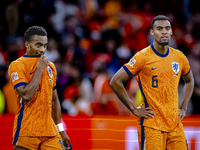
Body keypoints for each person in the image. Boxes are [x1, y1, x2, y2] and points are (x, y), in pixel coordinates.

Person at [110, 15, 194, 150]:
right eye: (159, 29)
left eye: (167, 28)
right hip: (151, 125)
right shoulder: (143, 57)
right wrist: (132, 108)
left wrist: (184, 107)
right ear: (152, 32)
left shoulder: (179, 57)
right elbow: (115, 81)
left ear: (171, 31)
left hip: (175, 125)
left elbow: (189, 81)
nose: (164, 31)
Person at [8, 26, 72, 150]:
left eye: (45, 45)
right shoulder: (17, 66)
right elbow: (26, 95)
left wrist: (61, 130)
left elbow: (54, 100)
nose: (42, 49)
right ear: (27, 44)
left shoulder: (51, 67)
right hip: (27, 130)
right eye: (38, 45)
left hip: (50, 131)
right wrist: (39, 70)